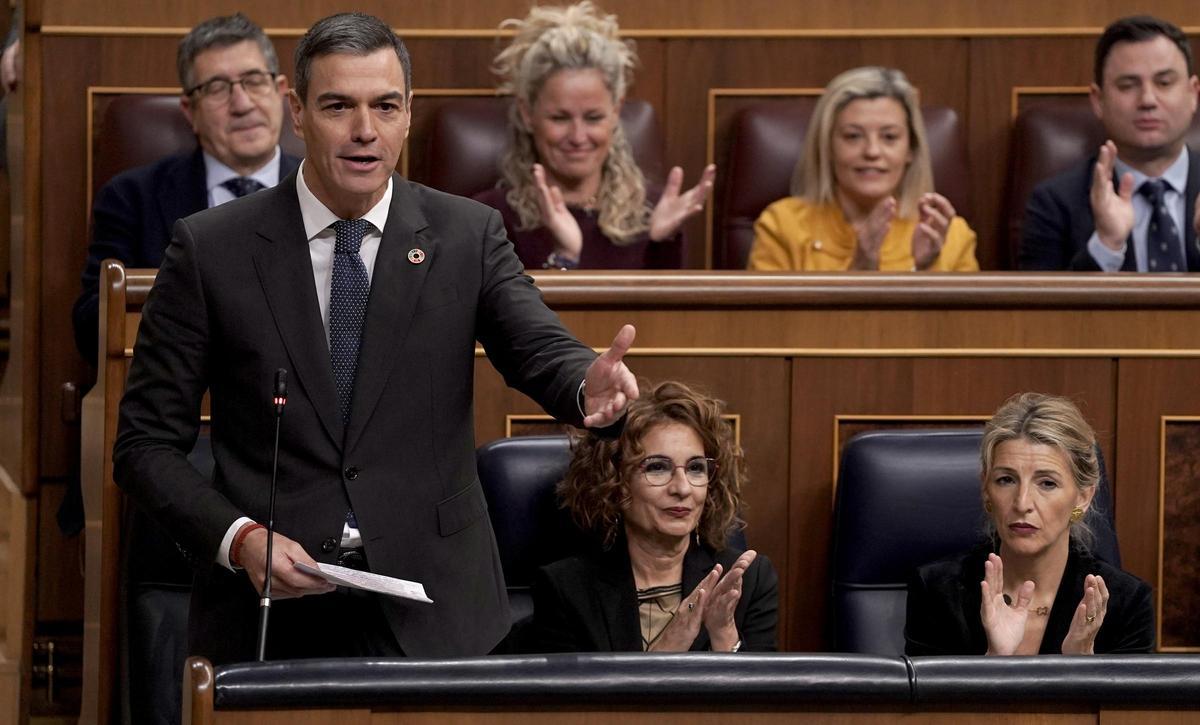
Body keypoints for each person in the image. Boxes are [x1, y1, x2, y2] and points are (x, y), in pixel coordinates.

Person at [113, 11, 639, 665]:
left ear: (409, 113)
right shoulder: (210, 248)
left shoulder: (465, 235)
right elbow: (144, 444)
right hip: (270, 617)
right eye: (339, 105)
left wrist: (584, 380)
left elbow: (536, 344)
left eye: (385, 106)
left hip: (438, 610)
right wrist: (241, 537)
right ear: (296, 110)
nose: (366, 131)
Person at [72, 13, 300, 365]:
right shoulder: (132, 198)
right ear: (189, 111)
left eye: (254, 81)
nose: (242, 104)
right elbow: (91, 327)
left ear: (281, 91)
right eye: (217, 88)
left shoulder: (325, 190)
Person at [531, 380, 777, 652]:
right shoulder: (568, 590)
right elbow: (572, 694)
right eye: (658, 468)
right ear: (615, 481)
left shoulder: (749, 580)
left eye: (696, 468)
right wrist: (673, 641)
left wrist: (724, 635)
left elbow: (761, 693)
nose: (682, 488)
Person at [905, 393, 1154, 656]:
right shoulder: (938, 592)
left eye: (1047, 483)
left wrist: (1080, 668)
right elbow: (933, 698)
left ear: (1083, 497)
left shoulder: (1126, 602)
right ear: (986, 489)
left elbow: (1127, 699)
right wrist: (995, 659)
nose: (1022, 503)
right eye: (1006, 480)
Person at [474, 1, 714, 270]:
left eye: (593, 118)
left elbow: (666, 313)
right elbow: (512, 312)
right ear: (527, 113)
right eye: (560, 118)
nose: (578, 136)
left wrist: (661, 242)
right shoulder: (490, 218)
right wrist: (564, 257)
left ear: (616, 112)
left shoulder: (654, 211)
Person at [747, 66, 978, 272]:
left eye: (889, 137)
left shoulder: (950, 235)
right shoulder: (782, 225)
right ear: (827, 147)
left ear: (911, 149)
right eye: (853, 136)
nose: (872, 151)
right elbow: (769, 321)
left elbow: (965, 321)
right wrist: (861, 266)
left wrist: (926, 270)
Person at [1020, 15, 1200, 272]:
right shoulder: (1054, 204)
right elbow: (1038, 311)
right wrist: (1107, 245)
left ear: (1193, 94)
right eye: (1128, 85)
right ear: (1098, 101)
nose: (1148, 99)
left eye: (1164, 83)